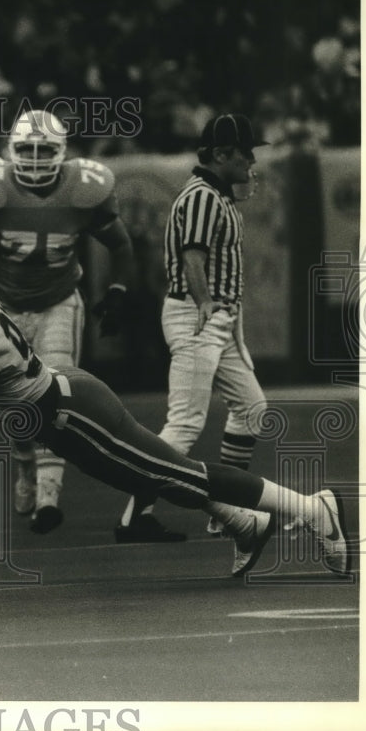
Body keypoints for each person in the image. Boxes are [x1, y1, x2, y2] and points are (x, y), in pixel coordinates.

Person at [0, 258, 351, 580]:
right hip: (64, 407)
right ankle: (246, 524)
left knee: (175, 476)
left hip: (72, 416)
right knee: (157, 475)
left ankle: (312, 508)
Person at [0, 109, 182, 542]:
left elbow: (120, 244)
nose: (35, 159)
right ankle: (22, 456)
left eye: (44, 150)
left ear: (63, 153)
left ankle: (48, 500)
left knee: (53, 397)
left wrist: (116, 291)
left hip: (58, 300)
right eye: (26, 149)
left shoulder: (84, 190)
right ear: (9, 152)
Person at [118, 114, 272, 540]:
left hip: (217, 316)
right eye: (246, 153)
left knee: (253, 409)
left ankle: (228, 504)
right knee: (184, 422)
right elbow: (192, 256)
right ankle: (135, 514)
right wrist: (205, 302)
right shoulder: (203, 196)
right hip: (196, 313)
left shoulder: (216, 195)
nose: (252, 160)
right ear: (221, 154)